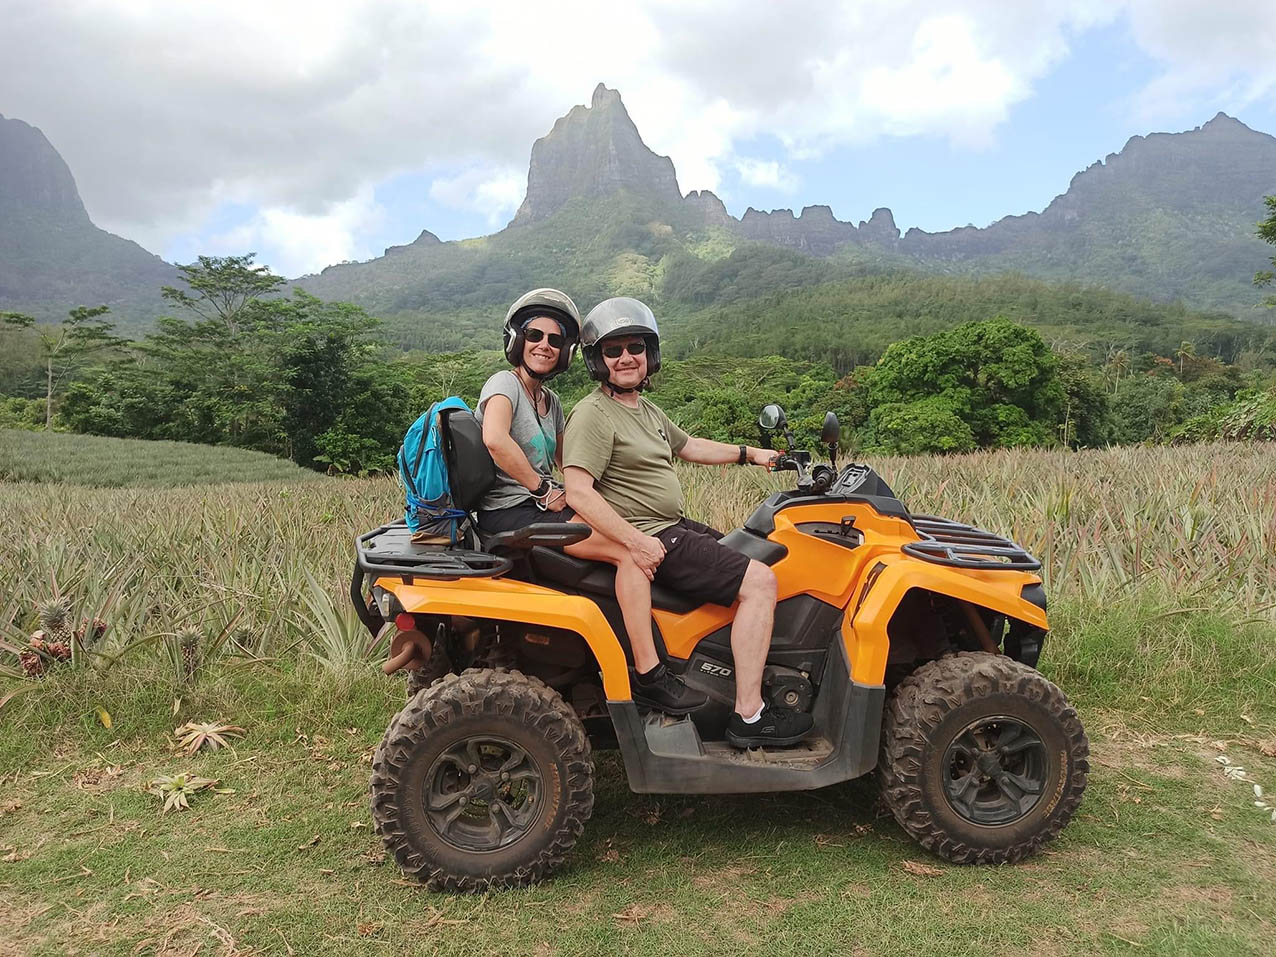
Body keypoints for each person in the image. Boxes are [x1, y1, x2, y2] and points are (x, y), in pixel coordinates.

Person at [562, 297, 814, 749]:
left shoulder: (645, 410)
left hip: (672, 524)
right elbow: (578, 491)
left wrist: (753, 454)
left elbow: (690, 446)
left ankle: (723, 673)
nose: (625, 358)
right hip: (654, 533)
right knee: (760, 583)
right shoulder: (593, 414)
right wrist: (635, 541)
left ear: (650, 354)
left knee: (753, 552)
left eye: (635, 347)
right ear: (598, 361)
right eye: (613, 350)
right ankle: (750, 715)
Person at [474, 289, 706, 714]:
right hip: (509, 511)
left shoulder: (551, 402)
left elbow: (570, 461)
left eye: (555, 339)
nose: (544, 345)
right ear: (517, 340)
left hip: (537, 506)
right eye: (534, 335)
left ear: (564, 351)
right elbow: (495, 439)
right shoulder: (504, 384)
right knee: (630, 550)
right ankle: (649, 673)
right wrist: (544, 490)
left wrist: (604, 489)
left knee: (620, 529)